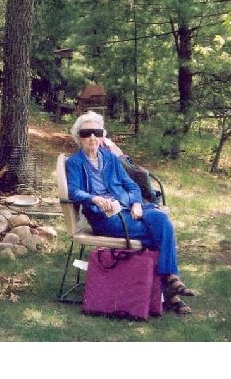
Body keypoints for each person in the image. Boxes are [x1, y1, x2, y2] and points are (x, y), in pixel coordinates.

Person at [65, 110, 195, 314]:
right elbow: (74, 191)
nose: (91, 137)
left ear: (102, 136)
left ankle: (170, 284)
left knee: (161, 220)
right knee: (159, 236)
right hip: (105, 218)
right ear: (78, 137)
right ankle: (170, 288)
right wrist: (95, 198)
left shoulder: (110, 158)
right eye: (86, 133)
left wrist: (135, 204)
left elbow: (132, 186)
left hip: (129, 208)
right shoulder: (74, 163)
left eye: (96, 132)